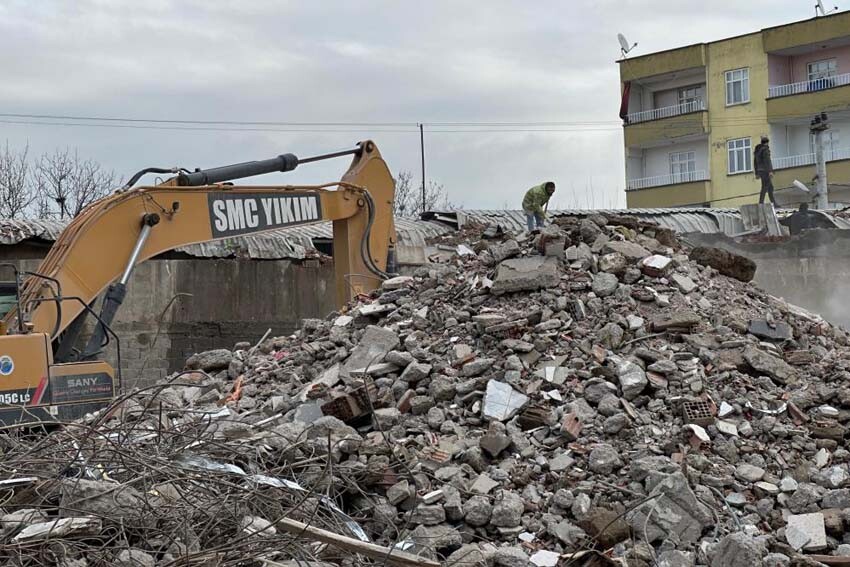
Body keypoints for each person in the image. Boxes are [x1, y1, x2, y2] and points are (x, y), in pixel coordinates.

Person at [754, 136, 776, 205]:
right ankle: (761, 203)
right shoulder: (765, 150)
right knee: (765, 187)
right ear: (767, 143)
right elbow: (767, 161)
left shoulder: (757, 150)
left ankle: (774, 203)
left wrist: (756, 173)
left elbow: (755, 162)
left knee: (770, 187)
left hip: (760, 171)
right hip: (765, 171)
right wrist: (770, 171)